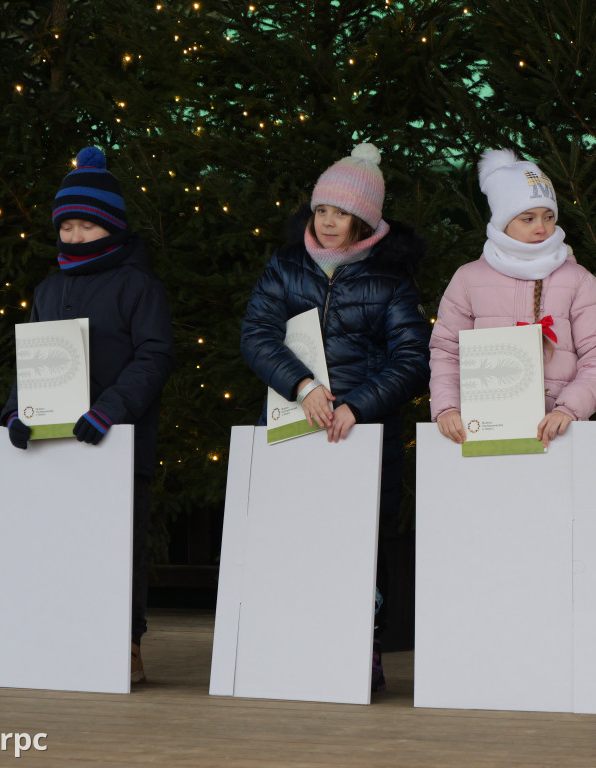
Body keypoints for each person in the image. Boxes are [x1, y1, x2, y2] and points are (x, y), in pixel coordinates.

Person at [240, 142, 430, 693]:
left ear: (365, 221)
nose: (327, 222)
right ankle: (289, 650)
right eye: (322, 209)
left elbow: (413, 359)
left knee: (357, 550)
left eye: (341, 213)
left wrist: (357, 405)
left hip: (359, 439)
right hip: (291, 428)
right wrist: (301, 386)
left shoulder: (390, 278)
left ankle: (359, 652)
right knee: (289, 541)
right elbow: (256, 333)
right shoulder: (285, 265)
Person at [1, 146, 175, 685]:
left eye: (87, 226)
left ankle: (127, 645)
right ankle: (60, 640)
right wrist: (15, 413)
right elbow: (30, 359)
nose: (74, 236)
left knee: (121, 549)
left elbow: (155, 355)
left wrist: (110, 411)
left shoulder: (138, 286)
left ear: (113, 227)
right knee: (59, 545)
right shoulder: (48, 289)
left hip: (116, 443)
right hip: (53, 447)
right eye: (67, 226)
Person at [429, 148, 596, 446]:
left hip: (557, 434)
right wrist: (447, 407)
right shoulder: (468, 279)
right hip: (481, 432)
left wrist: (569, 409)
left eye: (548, 216)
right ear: (504, 221)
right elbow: (446, 351)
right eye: (527, 218)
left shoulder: (578, 280)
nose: (542, 228)